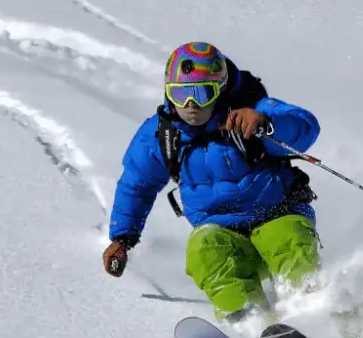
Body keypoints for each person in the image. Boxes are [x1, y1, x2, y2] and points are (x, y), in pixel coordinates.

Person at [102, 42, 322, 323]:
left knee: (288, 239)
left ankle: (313, 310)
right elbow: (137, 184)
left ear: (220, 89)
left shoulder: (250, 110)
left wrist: (266, 123)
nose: (190, 105)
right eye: (180, 94)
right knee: (204, 250)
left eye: (201, 93)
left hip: (277, 213)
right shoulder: (160, 134)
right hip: (221, 230)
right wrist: (122, 238)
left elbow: (305, 126)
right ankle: (250, 320)